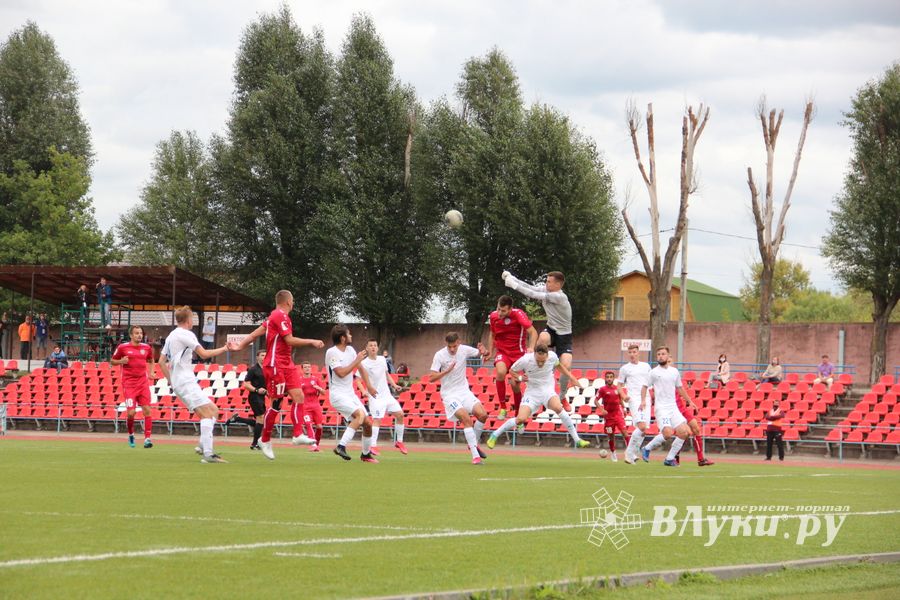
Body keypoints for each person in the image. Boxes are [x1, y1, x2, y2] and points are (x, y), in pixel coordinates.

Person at [231, 290, 324, 460]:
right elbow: (289, 340)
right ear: (288, 302)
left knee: (299, 396)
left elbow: (254, 333)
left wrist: (240, 346)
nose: (293, 303)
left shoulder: (276, 317)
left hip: (286, 364)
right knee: (277, 403)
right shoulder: (279, 315)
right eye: (293, 300)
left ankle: (297, 434)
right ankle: (264, 439)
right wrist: (311, 341)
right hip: (275, 365)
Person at [158, 306, 235, 463]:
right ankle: (208, 454)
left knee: (213, 410)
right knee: (208, 414)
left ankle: (202, 445)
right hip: (186, 381)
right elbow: (204, 354)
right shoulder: (186, 334)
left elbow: (161, 362)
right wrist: (225, 348)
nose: (193, 321)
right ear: (188, 320)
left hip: (181, 382)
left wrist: (172, 382)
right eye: (192, 318)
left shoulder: (172, 335)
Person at [485, 344, 589, 450]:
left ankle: (577, 440)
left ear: (547, 355)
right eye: (538, 360)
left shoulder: (552, 356)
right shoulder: (526, 359)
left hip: (547, 391)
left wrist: (572, 378)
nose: (540, 363)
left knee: (558, 408)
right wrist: (520, 377)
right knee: (520, 419)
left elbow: (559, 367)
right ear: (534, 354)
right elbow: (512, 371)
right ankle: (494, 435)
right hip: (532, 393)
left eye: (543, 361)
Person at [503, 270, 575, 409]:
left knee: (566, 366)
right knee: (542, 338)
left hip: (565, 336)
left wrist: (514, 286)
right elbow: (531, 287)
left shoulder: (560, 297)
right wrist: (512, 278)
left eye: (549, 281)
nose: (546, 283)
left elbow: (534, 295)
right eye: (546, 281)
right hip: (552, 329)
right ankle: (535, 370)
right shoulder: (547, 290)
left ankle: (562, 396)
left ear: (558, 284)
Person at [430, 332, 490, 465]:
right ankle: (475, 456)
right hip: (449, 395)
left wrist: (484, 351)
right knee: (466, 419)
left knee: (483, 415)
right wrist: (446, 371)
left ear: (459, 342)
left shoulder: (464, 349)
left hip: (464, 392)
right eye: (449, 346)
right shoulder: (439, 355)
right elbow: (431, 378)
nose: (452, 349)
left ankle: (473, 443)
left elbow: (481, 353)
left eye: (454, 346)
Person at [326, 325, 379, 462]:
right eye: (349, 334)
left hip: (350, 394)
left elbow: (360, 369)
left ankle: (365, 454)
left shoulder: (350, 350)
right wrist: (356, 360)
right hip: (337, 394)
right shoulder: (332, 352)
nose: (351, 336)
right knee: (360, 415)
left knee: (367, 423)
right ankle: (341, 446)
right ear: (343, 338)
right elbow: (341, 373)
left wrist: (369, 387)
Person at [485, 295, 538, 421]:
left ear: (510, 309)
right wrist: (490, 352)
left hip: (519, 355)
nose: (499, 313)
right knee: (500, 372)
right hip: (503, 353)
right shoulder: (493, 317)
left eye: (503, 310)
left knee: (515, 383)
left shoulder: (519, 314)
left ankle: (518, 413)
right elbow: (492, 334)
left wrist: (531, 348)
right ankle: (503, 407)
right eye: (498, 309)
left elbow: (533, 332)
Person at [639, 346, 693, 467]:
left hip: (673, 408)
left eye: (663, 354)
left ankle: (669, 458)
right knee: (668, 433)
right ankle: (647, 448)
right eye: (658, 354)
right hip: (662, 408)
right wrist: (643, 401)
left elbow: (679, 388)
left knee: (685, 432)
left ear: (668, 356)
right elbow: (644, 386)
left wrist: (690, 401)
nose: (660, 356)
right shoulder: (653, 372)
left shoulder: (674, 371)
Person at [360, 339, 408, 455]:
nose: (373, 347)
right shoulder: (364, 363)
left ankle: (399, 442)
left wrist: (395, 385)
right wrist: (363, 391)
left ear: (377, 348)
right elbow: (357, 380)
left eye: (375, 345)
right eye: (370, 345)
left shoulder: (382, 359)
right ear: (367, 348)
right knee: (377, 419)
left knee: (400, 414)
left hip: (387, 395)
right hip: (375, 396)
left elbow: (386, 375)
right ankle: (373, 445)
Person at [111, 326, 155, 448]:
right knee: (131, 412)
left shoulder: (146, 348)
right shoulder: (122, 347)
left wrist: (151, 372)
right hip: (129, 384)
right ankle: (131, 434)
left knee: (147, 410)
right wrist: (121, 362)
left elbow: (151, 360)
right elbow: (112, 361)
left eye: (141, 333)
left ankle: (147, 439)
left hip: (143, 383)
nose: (139, 335)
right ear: (131, 335)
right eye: (136, 333)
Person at [225, 350, 268, 450]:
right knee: (261, 418)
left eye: (266, 355)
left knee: (260, 421)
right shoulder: (253, 369)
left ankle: (237, 419)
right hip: (254, 396)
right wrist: (257, 390)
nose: (264, 357)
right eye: (262, 355)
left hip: (262, 396)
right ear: (257, 357)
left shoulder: (267, 369)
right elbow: (246, 384)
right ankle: (255, 444)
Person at [619, 344, 653, 464]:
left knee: (644, 430)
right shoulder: (624, 369)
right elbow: (619, 385)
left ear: (638, 353)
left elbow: (650, 383)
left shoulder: (646, 366)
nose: (632, 354)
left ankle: (632, 453)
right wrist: (624, 396)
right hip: (634, 399)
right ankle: (629, 452)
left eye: (634, 352)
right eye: (630, 352)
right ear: (628, 354)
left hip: (646, 398)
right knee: (642, 426)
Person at [673, 388, 715, 467]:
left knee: (696, 429)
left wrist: (690, 402)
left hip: (682, 408)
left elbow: (680, 389)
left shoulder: (675, 377)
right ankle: (675, 456)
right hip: (673, 409)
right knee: (685, 433)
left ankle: (701, 459)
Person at [594, 371, 629, 462]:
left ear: (613, 378)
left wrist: (624, 408)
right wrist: (602, 410)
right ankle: (613, 453)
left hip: (618, 414)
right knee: (611, 436)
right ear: (605, 378)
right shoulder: (602, 389)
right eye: (607, 377)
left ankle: (629, 453)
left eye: (611, 377)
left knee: (625, 433)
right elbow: (596, 401)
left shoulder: (617, 388)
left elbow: (620, 399)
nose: (609, 378)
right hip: (608, 417)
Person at [298, 361, 326, 452]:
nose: (307, 368)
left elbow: (324, 392)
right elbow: (295, 393)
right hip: (305, 407)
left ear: (311, 368)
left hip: (316, 406)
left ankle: (316, 445)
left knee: (319, 427)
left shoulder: (316, 379)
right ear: (302, 369)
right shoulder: (299, 380)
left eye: (308, 367)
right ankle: (313, 445)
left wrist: (319, 388)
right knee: (309, 425)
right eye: (305, 367)